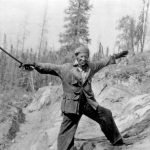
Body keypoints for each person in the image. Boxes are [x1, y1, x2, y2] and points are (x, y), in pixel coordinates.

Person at [23, 45, 128, 150]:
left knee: (105, 114)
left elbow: (103, 62)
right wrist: (35, 65)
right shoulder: (66, 68)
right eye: (81, 57)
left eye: (86, 57)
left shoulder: (91, 67)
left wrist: (116, 56)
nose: (83, 59)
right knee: (66, 132)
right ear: (77, 57)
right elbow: (50, 67)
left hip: (87, 104)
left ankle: (117, 141)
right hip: (72, 106)